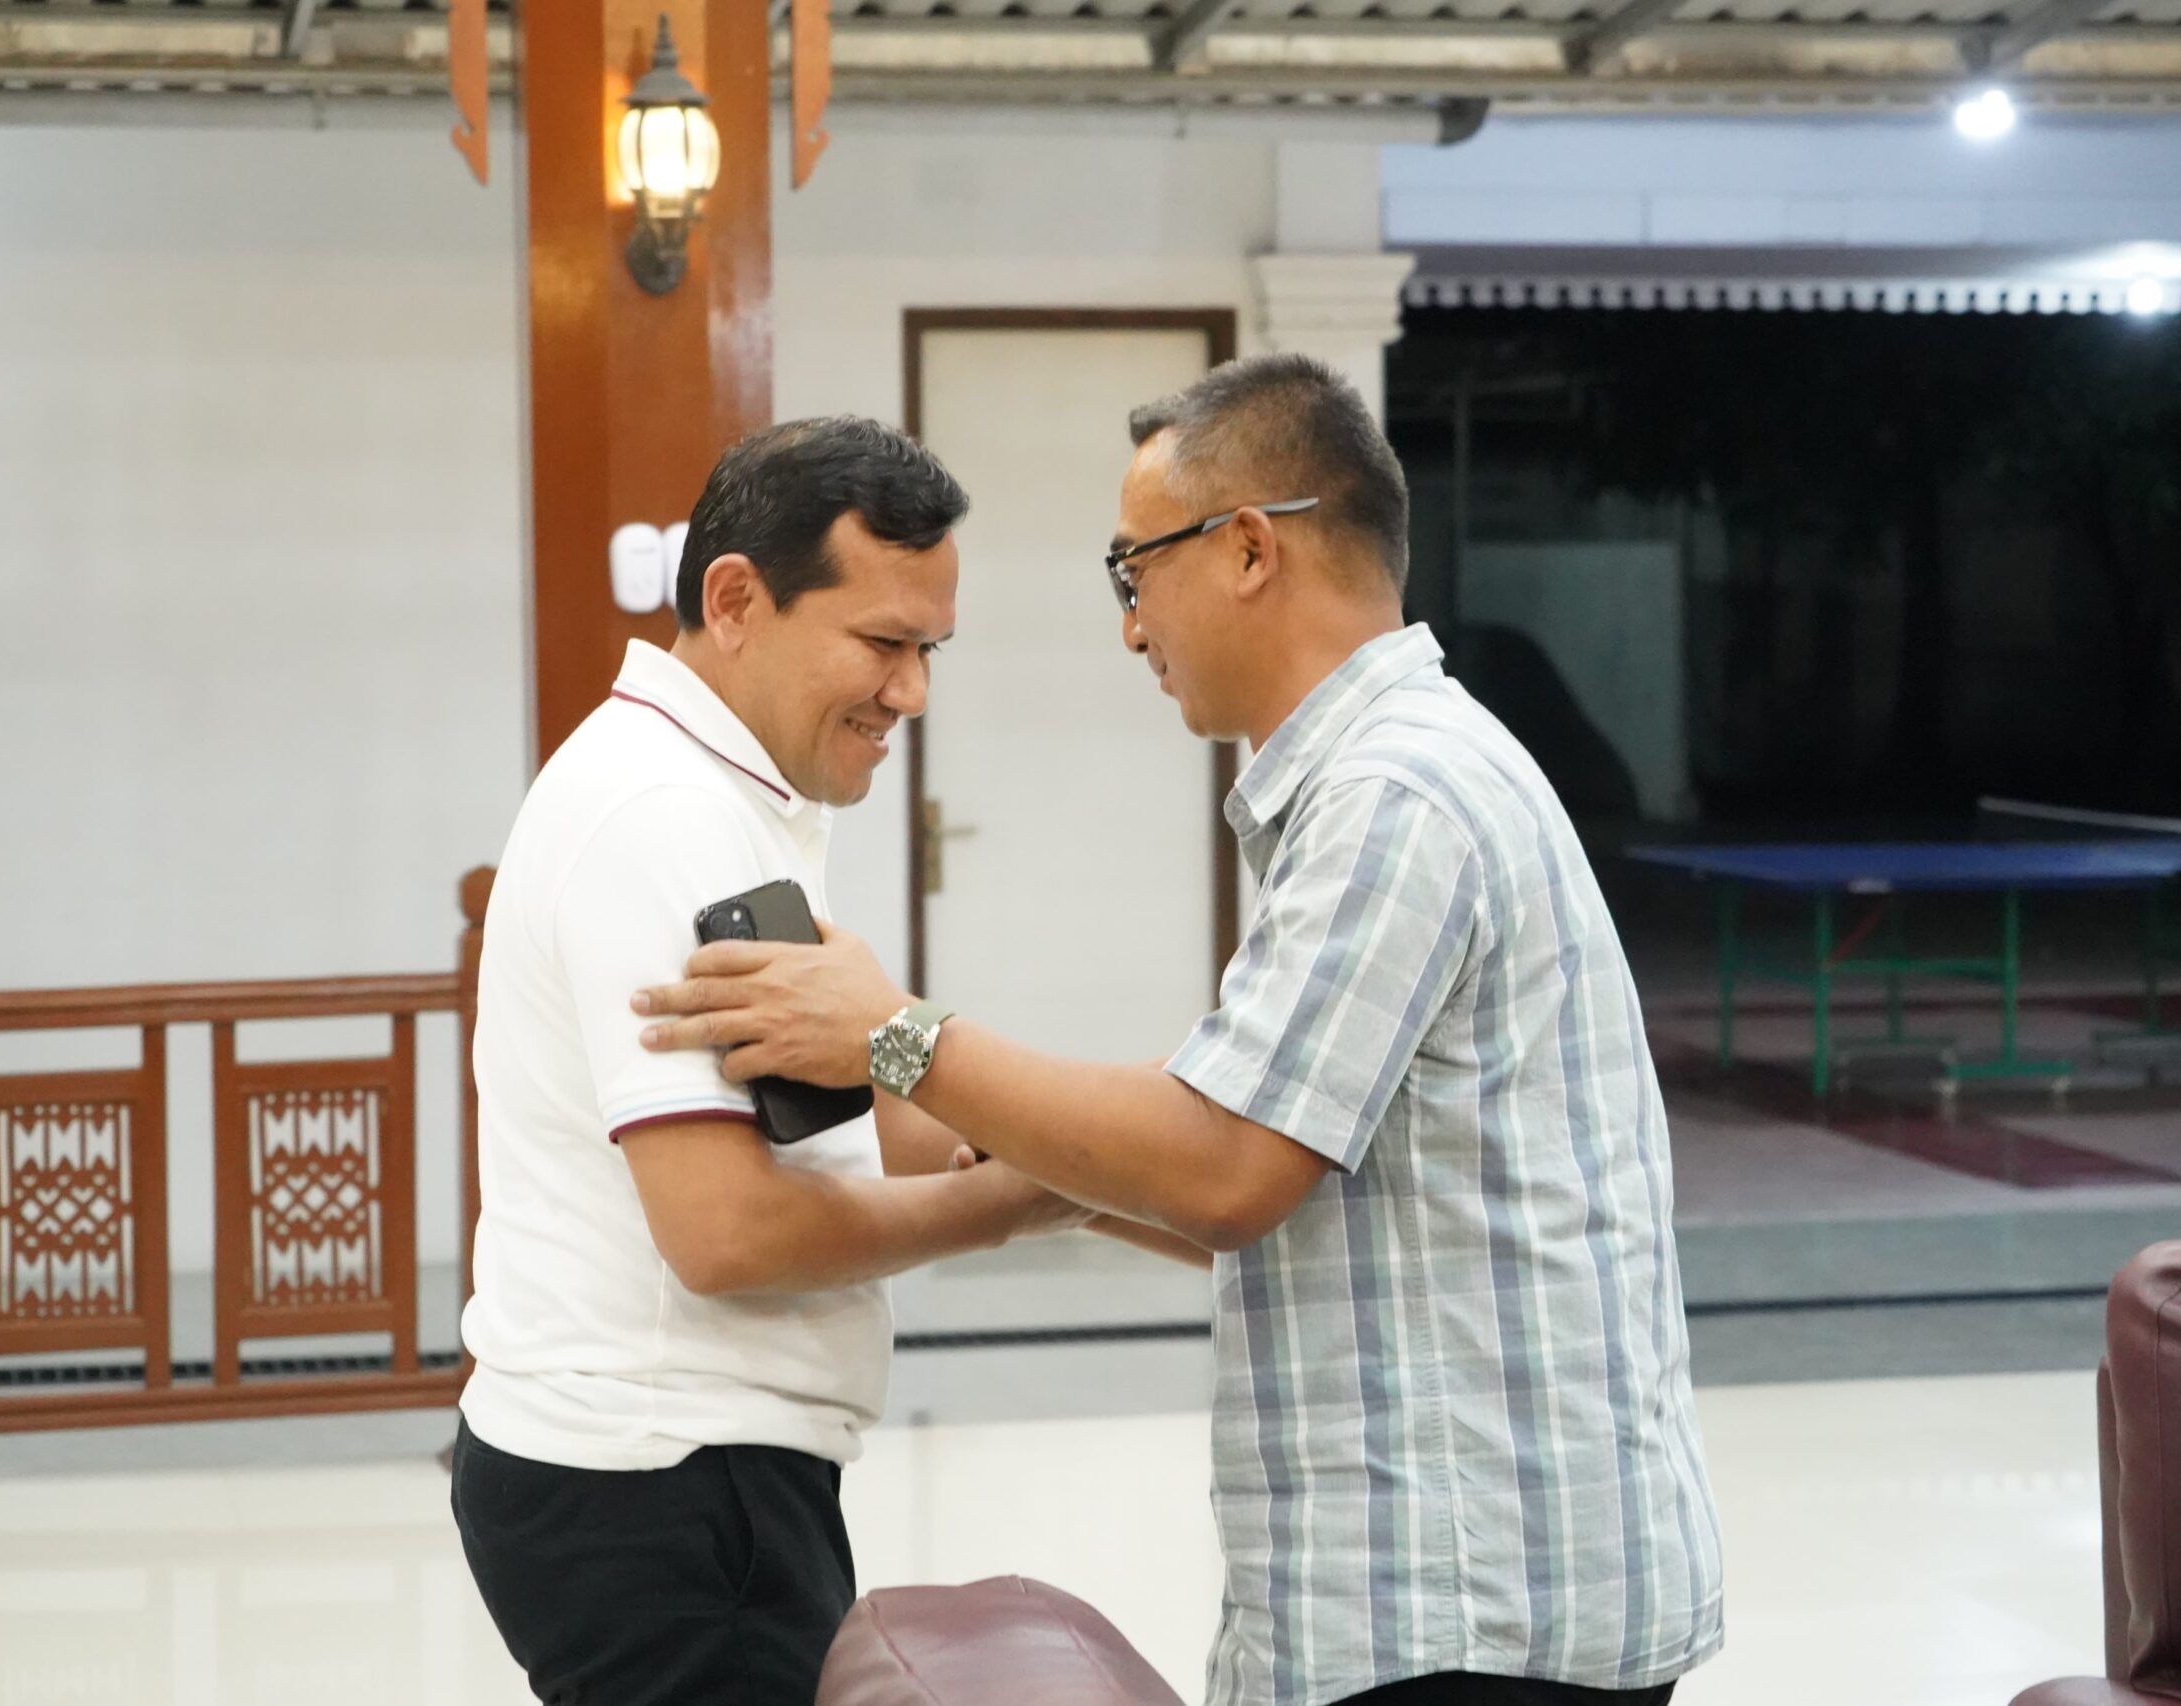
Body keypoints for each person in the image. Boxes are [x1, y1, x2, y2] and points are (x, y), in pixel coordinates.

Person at [632, 355, 1727, 1706]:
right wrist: (1025, 1163)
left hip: (1472, 1611)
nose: (1131, 627)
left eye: (1133, 570)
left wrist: (897, 1037)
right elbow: (1255, 1150)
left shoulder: (1397, 798)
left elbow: (1225, 1169)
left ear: (1251, 548)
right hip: (1462, 1591)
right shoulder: (1392, 777)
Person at [451, 415, 1097, 1706]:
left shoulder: (730, 794)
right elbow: (727, 1231)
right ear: (736, 600)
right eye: (882, 644)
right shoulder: (664, 814)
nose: (911, 693)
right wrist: (1013, 1204)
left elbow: (846, 1116)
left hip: (693, 1473)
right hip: (660, 1481)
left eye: (930, 650)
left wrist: (1082, 1137)